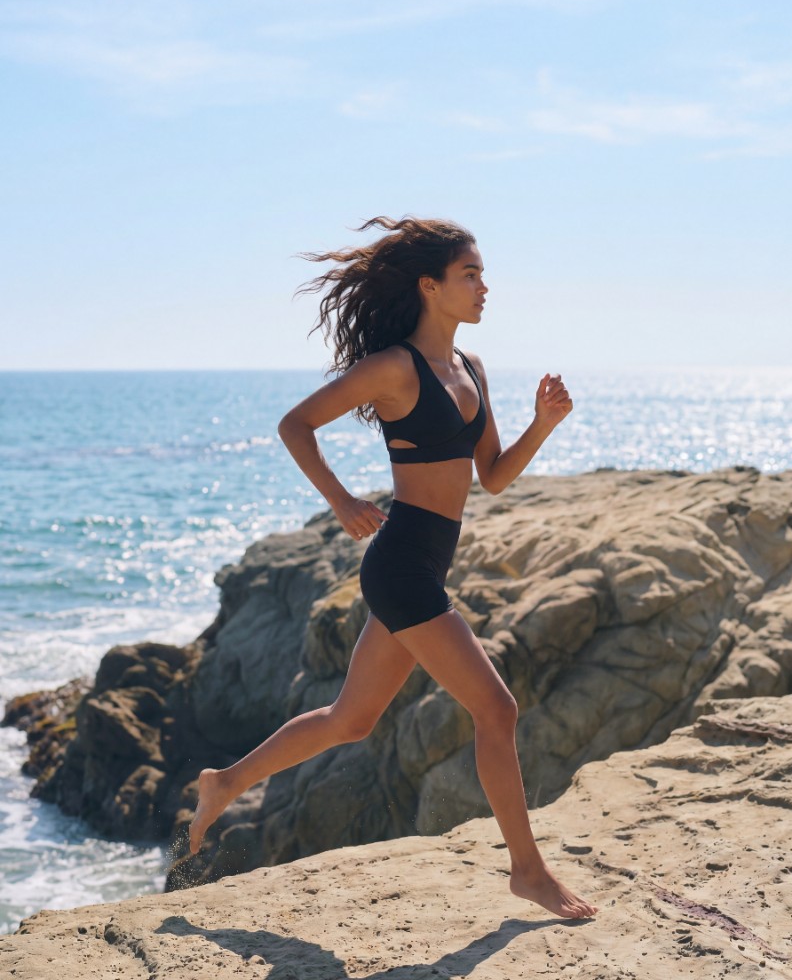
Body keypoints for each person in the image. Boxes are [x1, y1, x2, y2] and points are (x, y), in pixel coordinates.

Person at [188, 216, 599, 920]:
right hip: (402, 564)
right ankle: (528, 872)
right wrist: (341, 497)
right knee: (496, 708)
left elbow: (493, 477)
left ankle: (223, 784)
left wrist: (543, 423)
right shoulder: (393, 369)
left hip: (425, 568)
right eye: (469, 275)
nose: (483, 287)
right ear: (429, 285)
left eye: (482, 275)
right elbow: (296, 425)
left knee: (350, 719)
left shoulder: (471, 370)